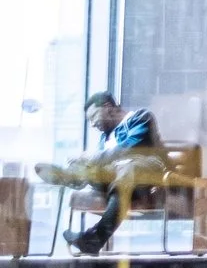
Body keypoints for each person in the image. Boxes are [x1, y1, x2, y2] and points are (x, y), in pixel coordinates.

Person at [37, 92, 166, 256]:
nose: (92, 124)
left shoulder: (141, 117)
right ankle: (72, 176)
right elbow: (104, 161)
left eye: (93, 117)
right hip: (120, 183)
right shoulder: (106, 138)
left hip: (147, 175)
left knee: (126, 168)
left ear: (108, 107)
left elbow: (129, 149)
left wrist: (91, 157)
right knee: (97, 169)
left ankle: (95, 238)